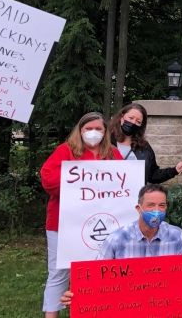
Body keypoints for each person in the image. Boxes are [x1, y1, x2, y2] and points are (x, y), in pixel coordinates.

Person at [59, 184, 182, 307]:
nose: (157, 210)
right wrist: (77, 297)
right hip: (127, 309)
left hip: (163, 309)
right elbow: (96, 281)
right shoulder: (116, 239)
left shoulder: (176, 236)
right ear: (138, 208)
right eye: (151, 205)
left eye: (162, 205)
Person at [39, 111, 122, 318]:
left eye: (98, 129)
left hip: (103, 226)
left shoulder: (113, 153)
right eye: (88, 129)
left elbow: (124, 184)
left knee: (96, 272)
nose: (93, 133)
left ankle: (90, 311)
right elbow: (48, 180)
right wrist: (80, 178)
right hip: (63, 224)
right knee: (59, 272)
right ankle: (51, 314)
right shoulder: (65, 150)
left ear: (105, 132)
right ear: (80, 130)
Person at [110, 102, 182, 184]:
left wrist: (175, 170)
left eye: (138, 122)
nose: (133, 123)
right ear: (122, 117)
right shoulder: (106, 142)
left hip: (137, 195)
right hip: (109, 194)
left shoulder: (144, 147)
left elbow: (152, 175)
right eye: (131, 118)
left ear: (141, 126)